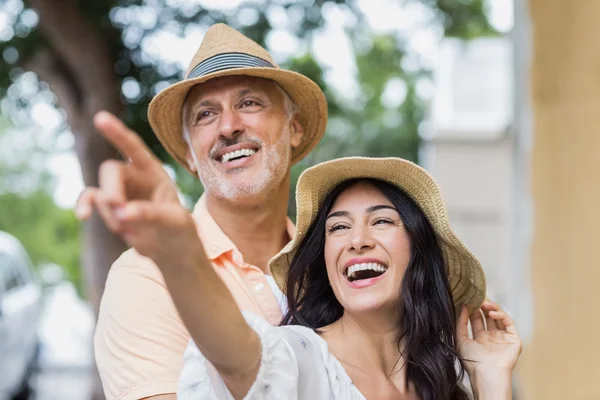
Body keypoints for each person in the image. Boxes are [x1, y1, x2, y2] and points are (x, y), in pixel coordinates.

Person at [83, 114, 521, 399]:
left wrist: (492, 380)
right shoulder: (300, 358)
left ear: (420, 253)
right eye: (338, 228)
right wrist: (181, 254)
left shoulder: (445, 383)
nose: (357, 240)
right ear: (327, 266)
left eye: (382, 221)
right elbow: (240, 358)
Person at [75, 23, 327, 399]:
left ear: (294, 129)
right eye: (205, 115)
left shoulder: (331, 267)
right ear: (190, 155)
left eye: (249, 103)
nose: (228, 126)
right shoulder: (147, 276)